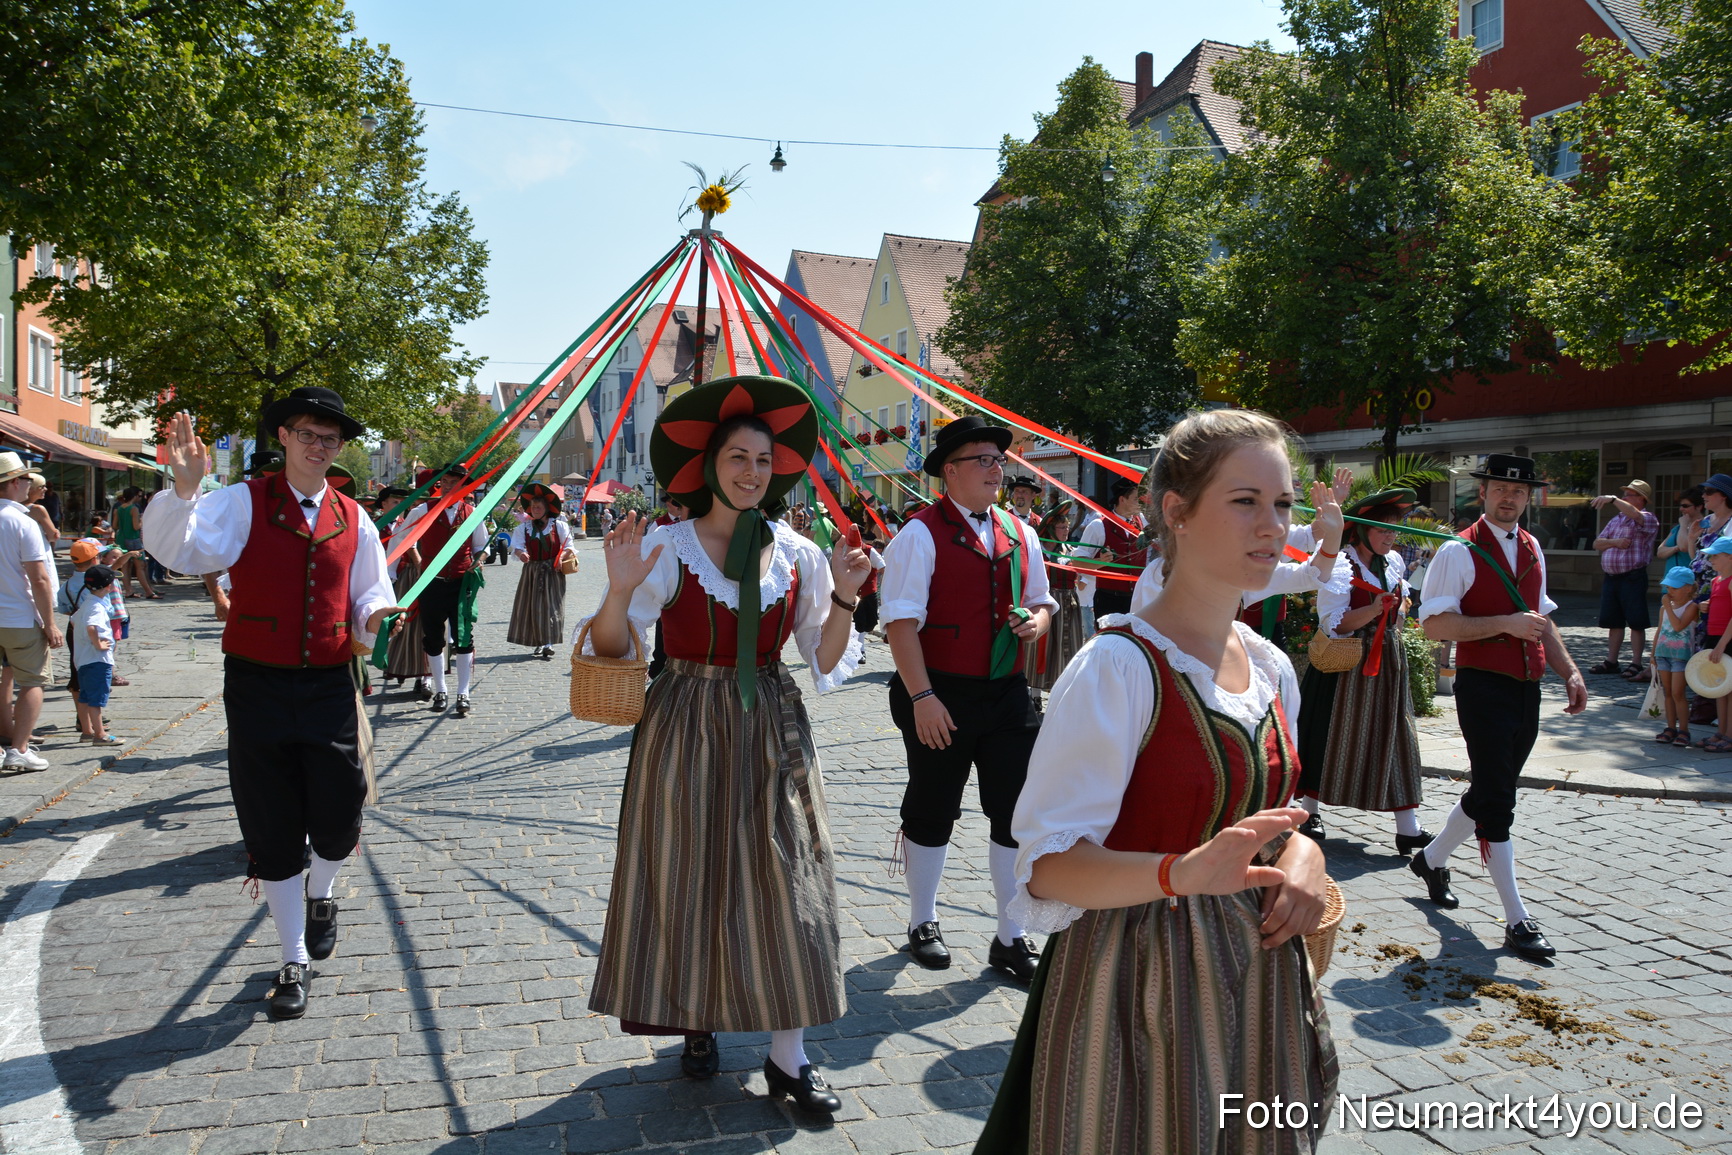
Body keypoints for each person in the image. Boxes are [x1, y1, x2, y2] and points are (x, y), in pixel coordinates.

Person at [973, 408, 1335, 1155]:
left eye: (1283, 504)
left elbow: (1282, 814)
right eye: (1245, 501)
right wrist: (1181, 872)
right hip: (1135, 986)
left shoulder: (1268, 667)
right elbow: (1046, 867)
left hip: (1258, 979)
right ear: (1177, 511)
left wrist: (1305, 857)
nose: (1273, 525)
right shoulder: (1118, 669)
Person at [581, 375, 869, 1111]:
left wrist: (843, 596)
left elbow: (826, 657)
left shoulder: (799, 553)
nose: (751, 472)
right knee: (688, 872)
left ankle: (788, 1056)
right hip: (684, 722)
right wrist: (616, 590)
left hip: (773, 722)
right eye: (738, 457)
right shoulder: (667, 547)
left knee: (790, 878)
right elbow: (614, 649)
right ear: (710, 464)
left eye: (763, 462)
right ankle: (696, 1015)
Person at [143, 389, 400, 1019]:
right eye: (308, 434)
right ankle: (293, 959)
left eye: (330, 439)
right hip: (257, 683)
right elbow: (178, 554)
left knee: (340, 813)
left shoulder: (353, 515)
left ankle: (324, 888)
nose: (319, 446)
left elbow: (369, 587)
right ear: (283, 437)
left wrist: (375, 613)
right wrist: (184, 491)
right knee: (272, 818)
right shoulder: (240, 502)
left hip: (331, 684)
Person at [879, 415, 1056, 983]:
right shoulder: (918, 534)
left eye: (999, 459)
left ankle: (1010, 934)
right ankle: (922, 921)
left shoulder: (1020, 531)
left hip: (1006, 695)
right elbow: (900, 625)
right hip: (940, 693)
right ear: (949, 472)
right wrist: (923, 697)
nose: (996, 468)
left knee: (1014, 812)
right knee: (933, 808)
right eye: (984, 459)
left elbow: (1042, 601)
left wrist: (1037, 623)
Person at [1412, 453, 1587, 961]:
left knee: (1493, 788)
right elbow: (1435, 625)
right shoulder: (1457, 551)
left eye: (1519, 492)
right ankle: (1516, 918)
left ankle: (1431, 859)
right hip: (1483, 684)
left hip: (1527, 685)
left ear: (1529, 497)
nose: (1509, 498)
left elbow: (1544, 619)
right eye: (1499, 490)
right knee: (1499, 799)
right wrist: (1504, 624)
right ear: (1483, 493)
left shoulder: (1533, 547)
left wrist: (1569, 670)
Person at [1294, 488, 1430, 851]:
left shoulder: (1395, 564)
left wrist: (1396, 613)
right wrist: (1373, 610)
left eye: (1394, 529)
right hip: (1346, 663)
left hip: (1387, 663)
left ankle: (1408, 827)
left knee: (1397, 736)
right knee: (1328, 734)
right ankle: (1309, 810)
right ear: (1362, 531)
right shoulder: (1341, 564)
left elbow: (1401, 611)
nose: (1391, 536)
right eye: (1383, 529)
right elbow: (1332, 624)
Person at [399, 463, 486, 715]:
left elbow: (482, 546)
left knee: (463, 639)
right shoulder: (422, 511)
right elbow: (407, 540)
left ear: (463, 486)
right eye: (445, 481)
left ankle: (463, 693)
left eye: (455, 482)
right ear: (440, 484)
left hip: (461, 585)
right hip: (432, 584)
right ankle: (440, 690)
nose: (449, 486)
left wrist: (478, 562)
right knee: (434, 638)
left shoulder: (472, 512)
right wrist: (418, 563)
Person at [0, 452, 63, 771]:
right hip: (19, 616)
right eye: (25, 479)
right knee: (32, 682)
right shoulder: (21, 522)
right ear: (13, 483)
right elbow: (38, 578)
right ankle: (19, 749)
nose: (29, 484)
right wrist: (50, 624)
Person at [1587, 480, 1658, 681]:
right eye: (1624, 494)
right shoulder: (1616, 519)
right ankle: (1612, 661)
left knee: (1636, 622)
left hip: (1632, 577)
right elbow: (1596, 543)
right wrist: (1614, 543)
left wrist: (1613, 499)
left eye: (1629, 494)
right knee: (1613, 621)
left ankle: (1636, 662)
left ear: (1641, 499)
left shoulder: (1647, 518)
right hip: (1611, 577)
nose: (1625, 498)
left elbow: (1635, 514)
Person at [507, 482, 573, 660]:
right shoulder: (523, 528)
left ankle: (548, 642)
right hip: (532, 572)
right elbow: (517, 548)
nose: (535, 509)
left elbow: (568, 546)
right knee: (533, 607)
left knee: (551, 607)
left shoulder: (558, 526)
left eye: (538, 507)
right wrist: (522, 554)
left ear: (546, 508)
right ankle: (538, 640)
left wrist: (560, 557)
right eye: (533, 507)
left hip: (553, 570)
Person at [1027, 502, 1086, 693]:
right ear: (1051, 530)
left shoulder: (1068, 550)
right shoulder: (1040, 551)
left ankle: (1062, 690)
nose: (1066, 530)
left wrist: (1102, 562)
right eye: (1062, 527)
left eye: (1068, 526)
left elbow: (1082, 569)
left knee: (1067, 647)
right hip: (1047, 603)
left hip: (1069, 604)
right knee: (1043, 648)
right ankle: (1035, 695)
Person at [1074, 477, 1148, 622]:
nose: (1140, 502)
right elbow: (1077, 563)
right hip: (1109, 600)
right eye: (1135, 498)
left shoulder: (1142, 522)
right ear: (1122, 500)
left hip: (1137, 600)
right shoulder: (1098, 526)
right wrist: (1100, 562)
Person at [68, 564, 121, 745]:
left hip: (83, 659)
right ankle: (100, 734)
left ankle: (87, 731)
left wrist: (83, 641)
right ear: (108, 586)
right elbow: (91, 626)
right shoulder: (97, 607)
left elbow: (73, 621)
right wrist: (98, 643)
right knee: (96, 698)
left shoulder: (87, 603)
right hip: (97, 659)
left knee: (85, 696)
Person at [1650, 567, 1699, 748]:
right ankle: (1670, 727)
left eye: (1674, 588)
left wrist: (1668, 608)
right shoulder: (1665, 608)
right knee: (1667, 692)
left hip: (1681, 655)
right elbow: (1659, 630)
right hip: (1663, 653)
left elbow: (1678, 626)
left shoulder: (1691, 607)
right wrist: (1653, 652)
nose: (1670, 591)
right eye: (1668, 587)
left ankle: (1684, 730)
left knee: (1678, 693)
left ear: (1687, 588)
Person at [1656, 485, 1703, 564]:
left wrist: (1684, 525)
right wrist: (1675, 548)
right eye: (1680, 505)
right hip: (1670, 575)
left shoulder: (1704, 527)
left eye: (1685, 506)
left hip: (1688, 574)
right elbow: (1660, 552)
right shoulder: (1677, 528)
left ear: (1699, 507)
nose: (1681, 509)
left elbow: (1683, 547)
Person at [23, 473, 58, 549]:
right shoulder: (38, 509)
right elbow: (53, 537)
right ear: (32, 489)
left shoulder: (12, 508)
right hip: (38, 550)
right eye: (42, 486)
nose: (45, 489)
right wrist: (56, 532)